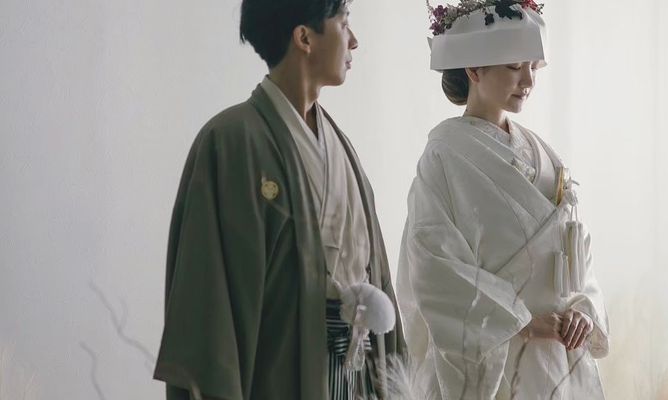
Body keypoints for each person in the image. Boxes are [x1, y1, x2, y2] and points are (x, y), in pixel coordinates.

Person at [153, 0, 404, 399]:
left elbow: (377, 274)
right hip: (278, 374)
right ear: (304, 37)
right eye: (344, 23)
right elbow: (208, 300)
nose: (354, 41)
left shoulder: (341, 146)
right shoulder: (231, 141)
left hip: (353, 374)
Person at [396, 1, 609, 399]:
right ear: (474, 70)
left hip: (556, 353)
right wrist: (522, 321)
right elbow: (432, 266)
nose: (528, 80)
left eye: (533, 67)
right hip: (496, 354)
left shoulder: (545, 156)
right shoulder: (444, 156)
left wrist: (583, 309)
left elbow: (577, 254)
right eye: (514, 66)